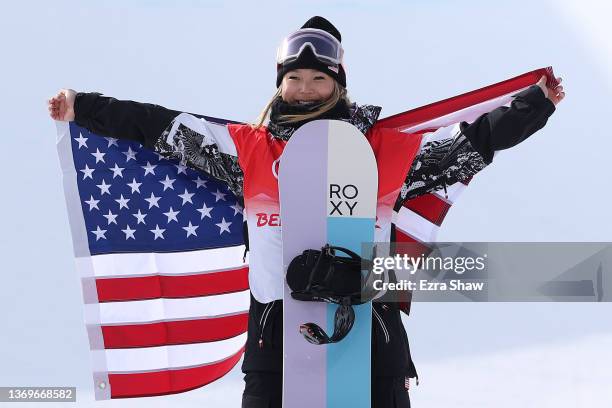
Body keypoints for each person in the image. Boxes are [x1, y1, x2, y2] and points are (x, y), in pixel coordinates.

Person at [48, 16, 565, 408]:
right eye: (294, 78)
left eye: (318, 79)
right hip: (276, 341)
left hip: (372, 338)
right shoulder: (246, 151)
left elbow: (468, 146)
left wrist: (534, 105)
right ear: (280, 83)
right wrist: (83, 106)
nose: (305, 89)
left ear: (338, 82)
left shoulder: (381, 150)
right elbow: (161, 128)